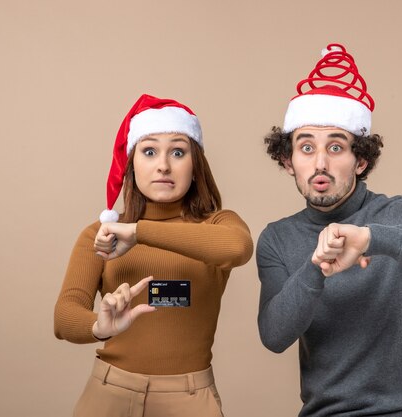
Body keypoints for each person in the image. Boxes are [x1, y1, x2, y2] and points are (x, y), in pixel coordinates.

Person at [256, 44, 402, 417]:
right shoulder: (278, 239)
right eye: (305, 148)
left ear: (361, 160)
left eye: (335, 147)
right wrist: (316, 267)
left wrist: (372, 238)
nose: (320, 163)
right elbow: (274, 336)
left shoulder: (398, 216)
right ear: (287, 161)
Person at [54, 94, 253, 417]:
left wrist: (138, 231)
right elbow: (63, 317)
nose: (163, 165)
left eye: (177, 151)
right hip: (108, 394)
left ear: (195, 164)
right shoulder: (101, 234)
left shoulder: (218, 224)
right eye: (149, 151)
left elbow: (238, 248)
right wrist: (100, 326)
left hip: (190, 398)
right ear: (132, 163)